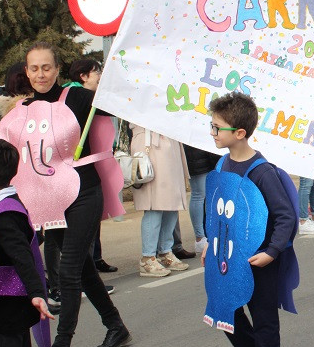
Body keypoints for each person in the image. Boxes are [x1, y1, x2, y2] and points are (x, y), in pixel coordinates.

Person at [0, 42, 130, 347]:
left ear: (57, 69)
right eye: (34, 68)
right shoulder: (19, 112)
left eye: (47, 67)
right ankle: (116, 326)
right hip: (47, 201)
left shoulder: (79, 99)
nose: (41, 74)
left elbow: (119, 104)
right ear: (27, 71)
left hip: (84, 192)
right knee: (82, 270)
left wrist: (115, 82)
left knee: (68, 270)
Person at [201, 92, 298, 347]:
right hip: (227, 257)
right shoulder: (222, 164)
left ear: (239, 133)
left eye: (217, 128)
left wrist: (271, 252)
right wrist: (209, 244)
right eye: (212, 126)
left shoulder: (262, 172)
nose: (212, 132)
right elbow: (214, 209)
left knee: (264, 318)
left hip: (259, 262)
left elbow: (285, 217)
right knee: (225, 312)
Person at [0, 138, 55, 347]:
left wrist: (37, 292)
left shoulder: (3, 213)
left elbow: (23, 256)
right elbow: (35, 237)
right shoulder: (7, 203)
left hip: (3, 308)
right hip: (11, 304)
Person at [65, 59, 118, 273]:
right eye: (97, 72)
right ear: (83, 76)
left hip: (90, 163)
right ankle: (85, 271)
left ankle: (95, 259)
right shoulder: (76, 95)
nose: (100, 75)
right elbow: (112, 107)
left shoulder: (81, 95)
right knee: (83, 221)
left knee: (92, 217)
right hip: (78, 169)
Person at [131, 126, 191, 277]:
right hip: (149, 142)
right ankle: (147, 257)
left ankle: (165, 251)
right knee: (154, 204)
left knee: (172, 202)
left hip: (169, 139)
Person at [183, 144, 221, 253]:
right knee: (198, 195)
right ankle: (200, 238)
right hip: (196, 157)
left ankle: (209, 233)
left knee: (210, 196)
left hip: (209, 156)